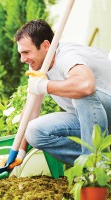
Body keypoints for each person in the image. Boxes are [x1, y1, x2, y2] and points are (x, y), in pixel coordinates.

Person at [11, 19, 111, 167]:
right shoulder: (39, 67)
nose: (22, 59)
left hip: (107, 108)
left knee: (80, 93)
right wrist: (20, 152)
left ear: (46, 45)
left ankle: (94, 171)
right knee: (34, 131)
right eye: (21, 53)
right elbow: (31, 112)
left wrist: (45, 86)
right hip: (91, 119)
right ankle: (97, 166)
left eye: (26, 52)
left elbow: (86, 86)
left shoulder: (66, 55)